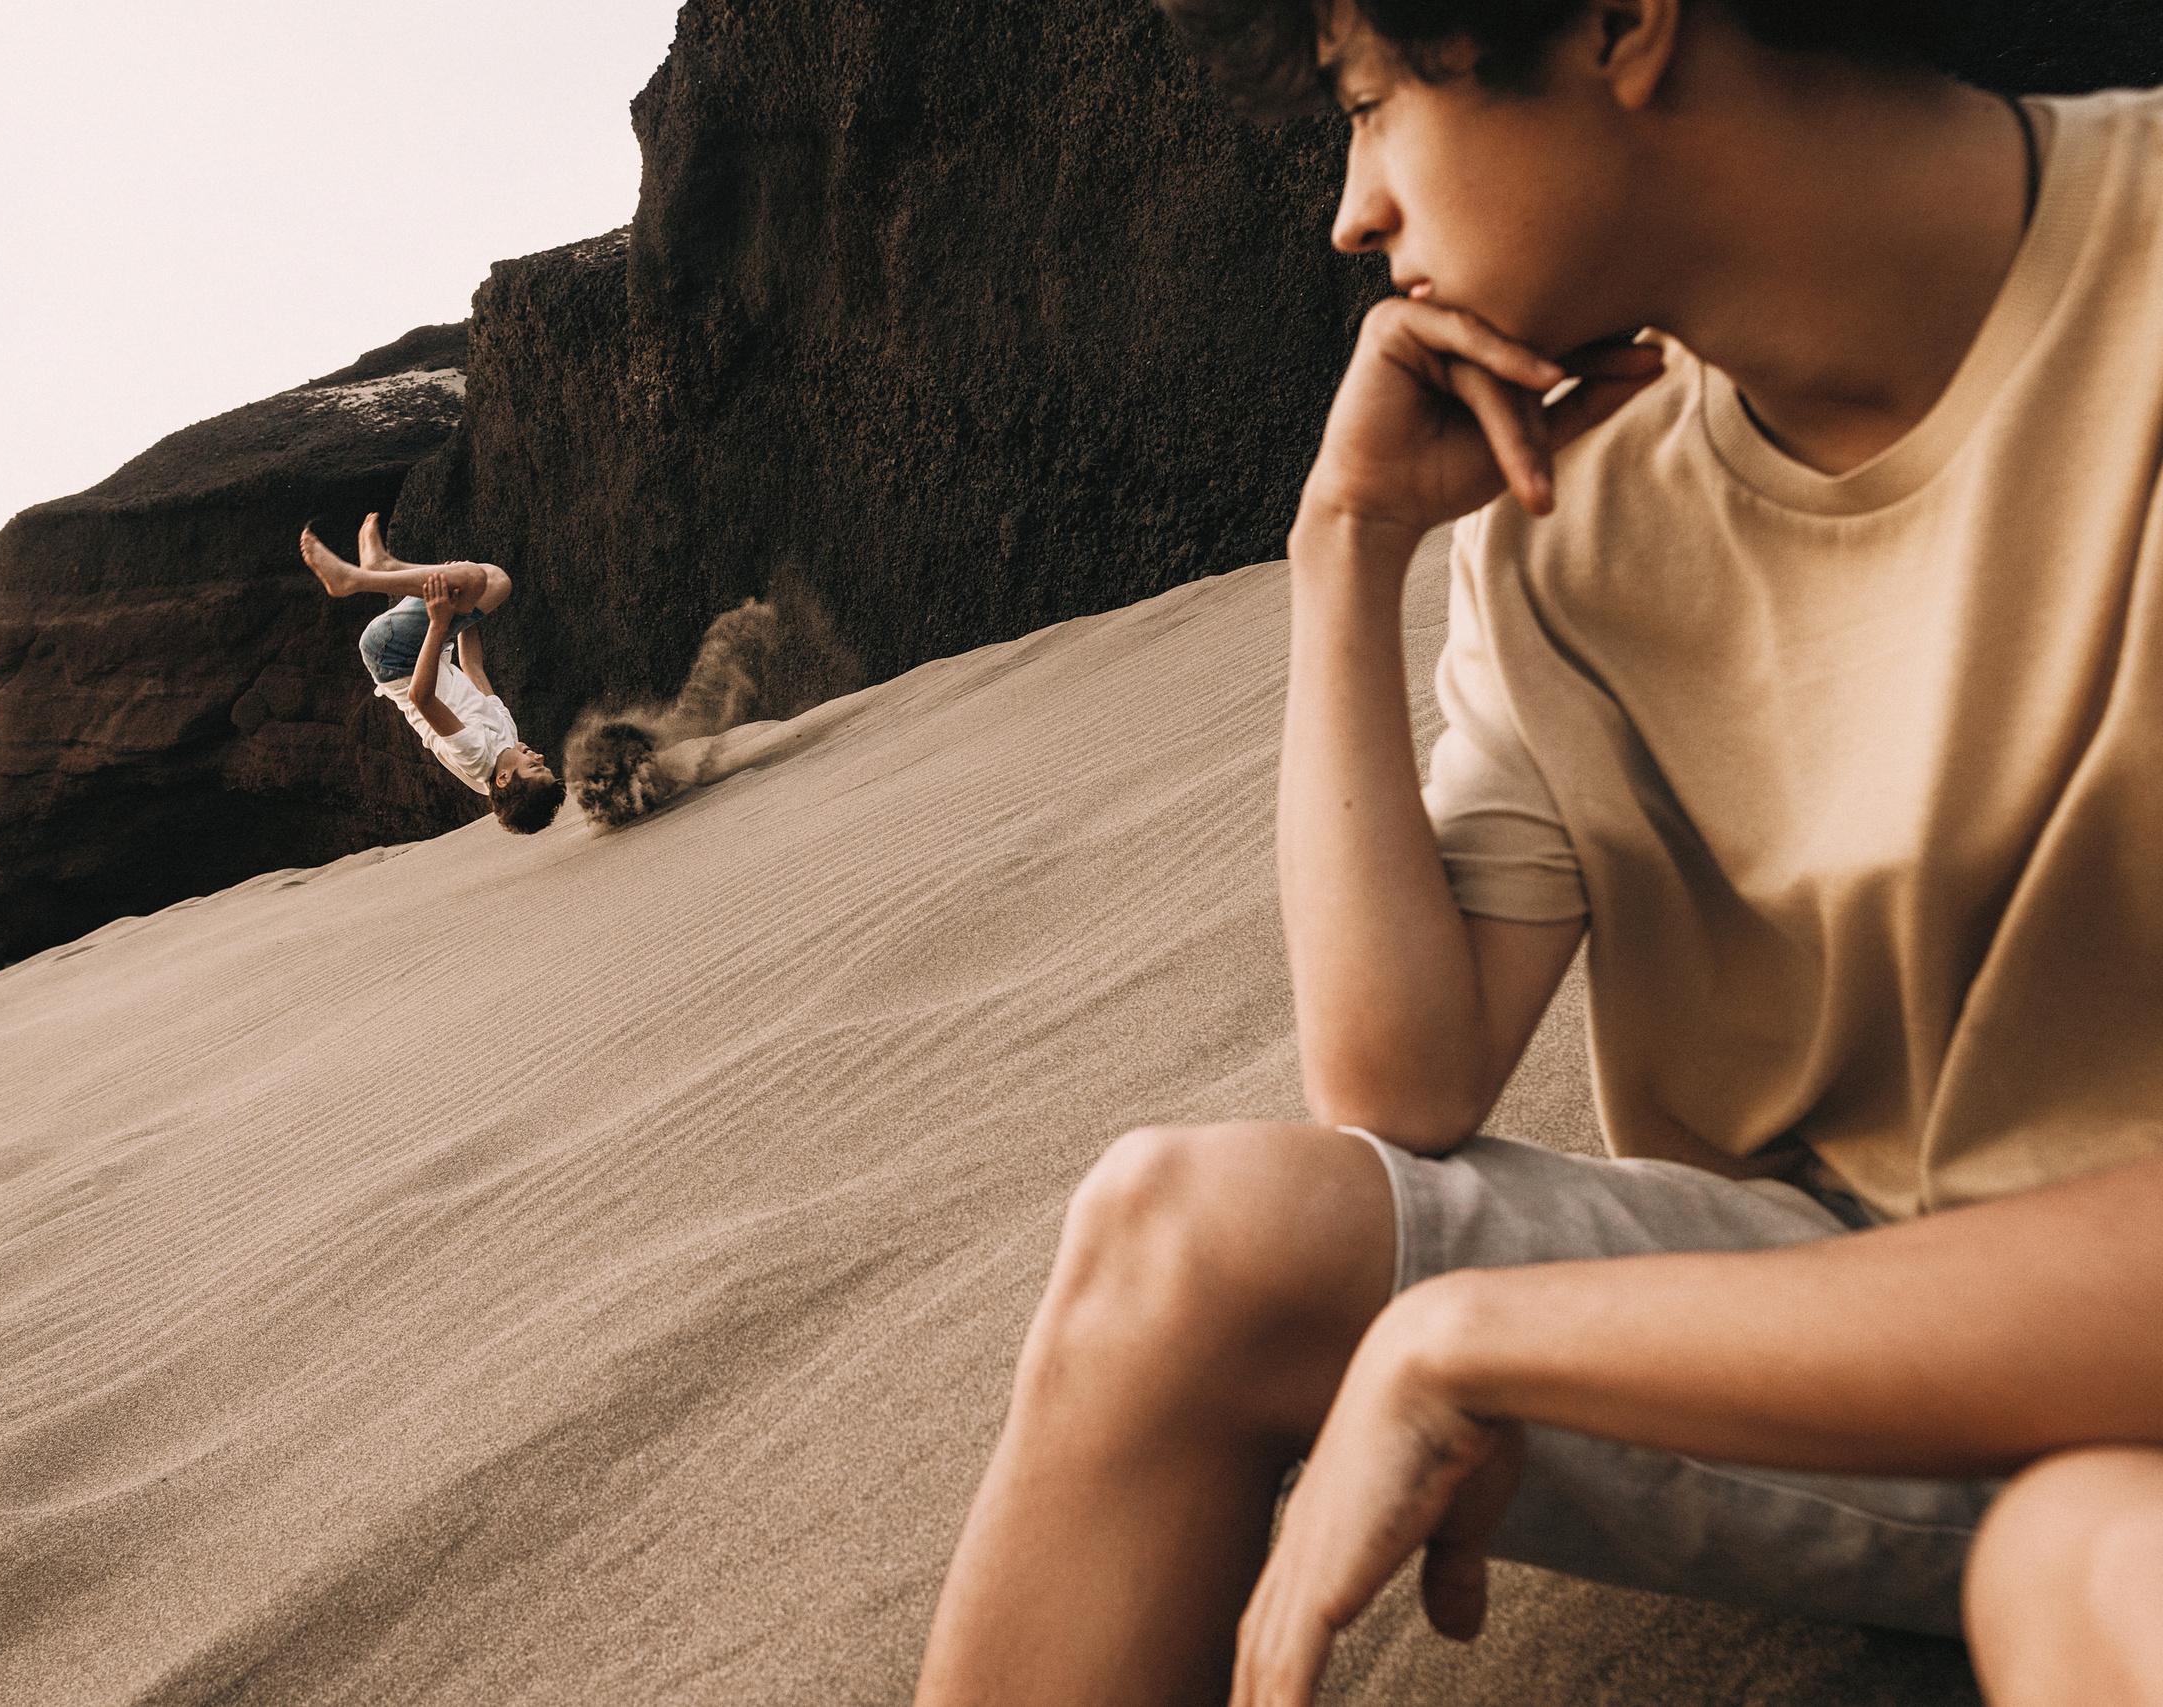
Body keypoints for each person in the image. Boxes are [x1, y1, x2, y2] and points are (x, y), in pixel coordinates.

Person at [911, 3, 2163, 1703]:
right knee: (1173, 1240)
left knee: (2090, 1561)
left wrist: (1477, 1334)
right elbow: (1398, 1076)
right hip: (1816, 1345)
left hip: (2108, 1370)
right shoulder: (1580, 497)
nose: (1353, 208)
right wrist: (1342, 551)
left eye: (1370, 101)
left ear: (1624, 22)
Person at [300, 514, 566, 834]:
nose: (537, 754)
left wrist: (441, 622)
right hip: (419, 652)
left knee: (471, 578)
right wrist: (468, 615)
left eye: (534, 766)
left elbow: (420, 697)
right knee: (494, 583)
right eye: (543, 762)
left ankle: (353, 580)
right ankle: (383, 566)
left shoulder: (476, 757)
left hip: (393, 657)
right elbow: (474, 668)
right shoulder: (507, 739)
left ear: (504, 778)